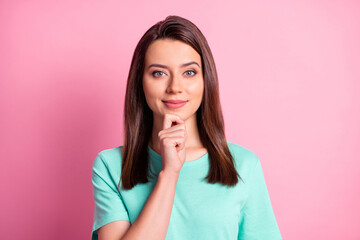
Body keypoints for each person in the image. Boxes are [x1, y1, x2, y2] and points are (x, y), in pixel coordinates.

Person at [91, 15, 282, 240]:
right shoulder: (111, 167)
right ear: (140, 82)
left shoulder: (244, 165)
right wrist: (169, 173)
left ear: (205, 80)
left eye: (189, 72)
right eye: (159, 73)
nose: (175, 87)